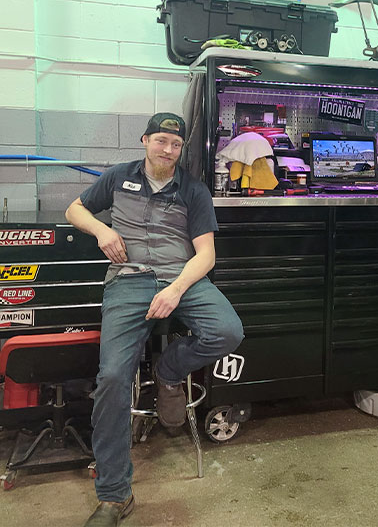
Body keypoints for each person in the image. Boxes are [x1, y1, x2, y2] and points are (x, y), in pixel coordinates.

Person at [66, 112, 244, 527]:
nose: (168, 149)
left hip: (181, 278)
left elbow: (206, 255)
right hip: (128, 280)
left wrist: (176, 289)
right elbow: (74, 209)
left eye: (176, 144)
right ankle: (114, 495)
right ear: (145, 140)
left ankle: (169, 370)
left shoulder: (193, 190)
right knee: (113, 378)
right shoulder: (118, 177)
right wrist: (102, 231)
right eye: (161, 140)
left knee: (227, 331)